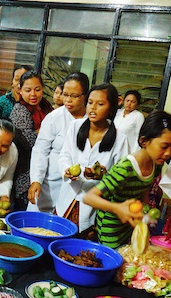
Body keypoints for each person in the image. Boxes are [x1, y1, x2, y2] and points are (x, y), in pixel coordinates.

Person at [84, 110, 171, 248]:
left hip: (129, 224)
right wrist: (118, 208)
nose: (168, 153)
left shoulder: (155, 163)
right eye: (164, 147)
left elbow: (144, 188)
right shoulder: (125, 169)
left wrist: (146, 211)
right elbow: (89, 197)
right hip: (110, 228)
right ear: (144, 141)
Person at [56, 83, 131, 236]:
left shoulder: (120, 139)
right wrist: (67, 170)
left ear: (111, 108)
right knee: (56, 240)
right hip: (67, 198)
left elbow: (122, 178)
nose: (93, 108)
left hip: (94, 206)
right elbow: (64, 156)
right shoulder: (75, 127)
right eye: (90, 102)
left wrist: (104, 175)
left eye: (100, 104)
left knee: (82, 252)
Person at [28, 72, 90, 213]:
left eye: (74, 96)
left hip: (76, 184)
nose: (68, 100)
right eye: (65, 94)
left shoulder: (91, 120)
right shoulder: (54, 118)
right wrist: (36, 179)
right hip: (50, 182)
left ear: (85, 96)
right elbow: (40, 150)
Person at [9, 70, 54, 210]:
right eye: (28, 90)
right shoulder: (19, 110)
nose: (33, 94)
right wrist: (47, 131)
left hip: (46, 170)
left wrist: (41, 131)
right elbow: (30, 141)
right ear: (20, 90)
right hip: (25, 172)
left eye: (37, 89)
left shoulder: (46, 107)